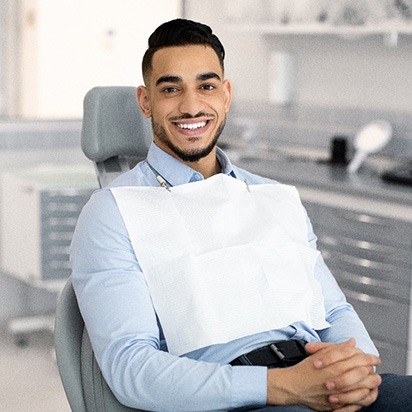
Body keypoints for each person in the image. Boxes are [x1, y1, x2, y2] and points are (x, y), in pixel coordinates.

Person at [70, 18, 412, 411]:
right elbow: (131, 367)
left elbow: (333, 310)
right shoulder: (113, 213)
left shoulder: (272, 196)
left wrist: (359, 372)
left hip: (322, 381)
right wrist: (279, 386)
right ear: (146, 101)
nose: (191, 105)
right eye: (170, 89)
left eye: (207, 85)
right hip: (238, 399)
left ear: (226, 94)